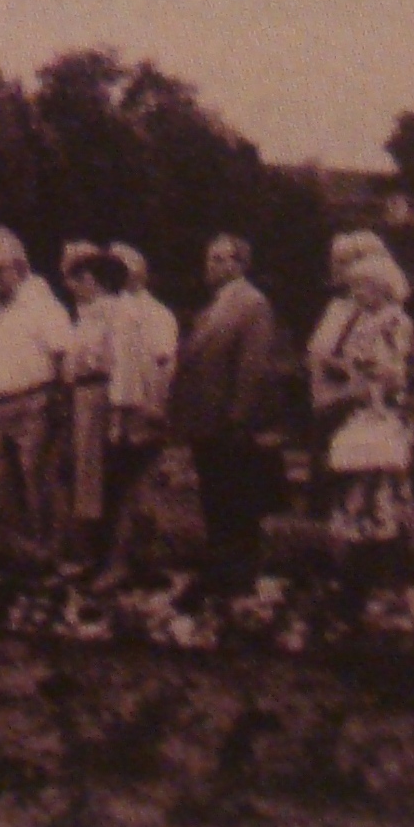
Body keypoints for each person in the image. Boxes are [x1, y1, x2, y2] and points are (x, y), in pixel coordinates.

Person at [169, 234, 283, 611]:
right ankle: (220, 574)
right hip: (207, 423)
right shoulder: (214, 307)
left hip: (230, 425)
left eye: (220, 259)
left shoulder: (252, 304)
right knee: (216, 503)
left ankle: (237, 580)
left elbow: (253, 366)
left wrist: (238, 418)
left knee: (236, 505)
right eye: (210, 258)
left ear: (240, 264)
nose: (211, 265)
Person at [314, 252, 414, 624]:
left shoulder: (394, 321)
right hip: (359, 415)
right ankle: (357, 584)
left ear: (381, 287)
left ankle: (380, 587)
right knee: (356, 500)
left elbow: (392, 372)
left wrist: (356, 378)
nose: (355, 293)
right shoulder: (363, 320)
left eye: (361, 286)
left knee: (377, 499)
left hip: (379, 418)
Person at [0, 227, 74, 552]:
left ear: (21, 268)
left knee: (36, 477)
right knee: (2, 478)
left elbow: (62, 352)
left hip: (33, 400)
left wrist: (59, 401)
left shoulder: (41, 300)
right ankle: (16, 547)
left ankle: (45, 548)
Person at [92, 242, 179, 591]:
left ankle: (126, 564)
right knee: (119, 488)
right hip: (120, 409)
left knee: (134, 489)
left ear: (138, 274)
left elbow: (162, 365)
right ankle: (127, 562)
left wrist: (152, 410)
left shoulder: (154, 314)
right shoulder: (117, 311)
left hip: (140, 411)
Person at [305, 231, 393, 509]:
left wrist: (338, 365)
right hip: (324, 399)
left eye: (343, 262)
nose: (335, 268)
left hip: (351, 402)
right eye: (334, 261)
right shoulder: (336, 307)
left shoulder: (377, 312)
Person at [62, 252, 124, 562]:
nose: (73, 288)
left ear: (91, 280)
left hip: (100, 393)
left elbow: (113, 363)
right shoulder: (86, 314)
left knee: (95, 473)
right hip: (82, 395)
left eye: (78, 280)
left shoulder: (112, 313)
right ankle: (88, 551)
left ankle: (99, 554)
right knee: (85, 473)